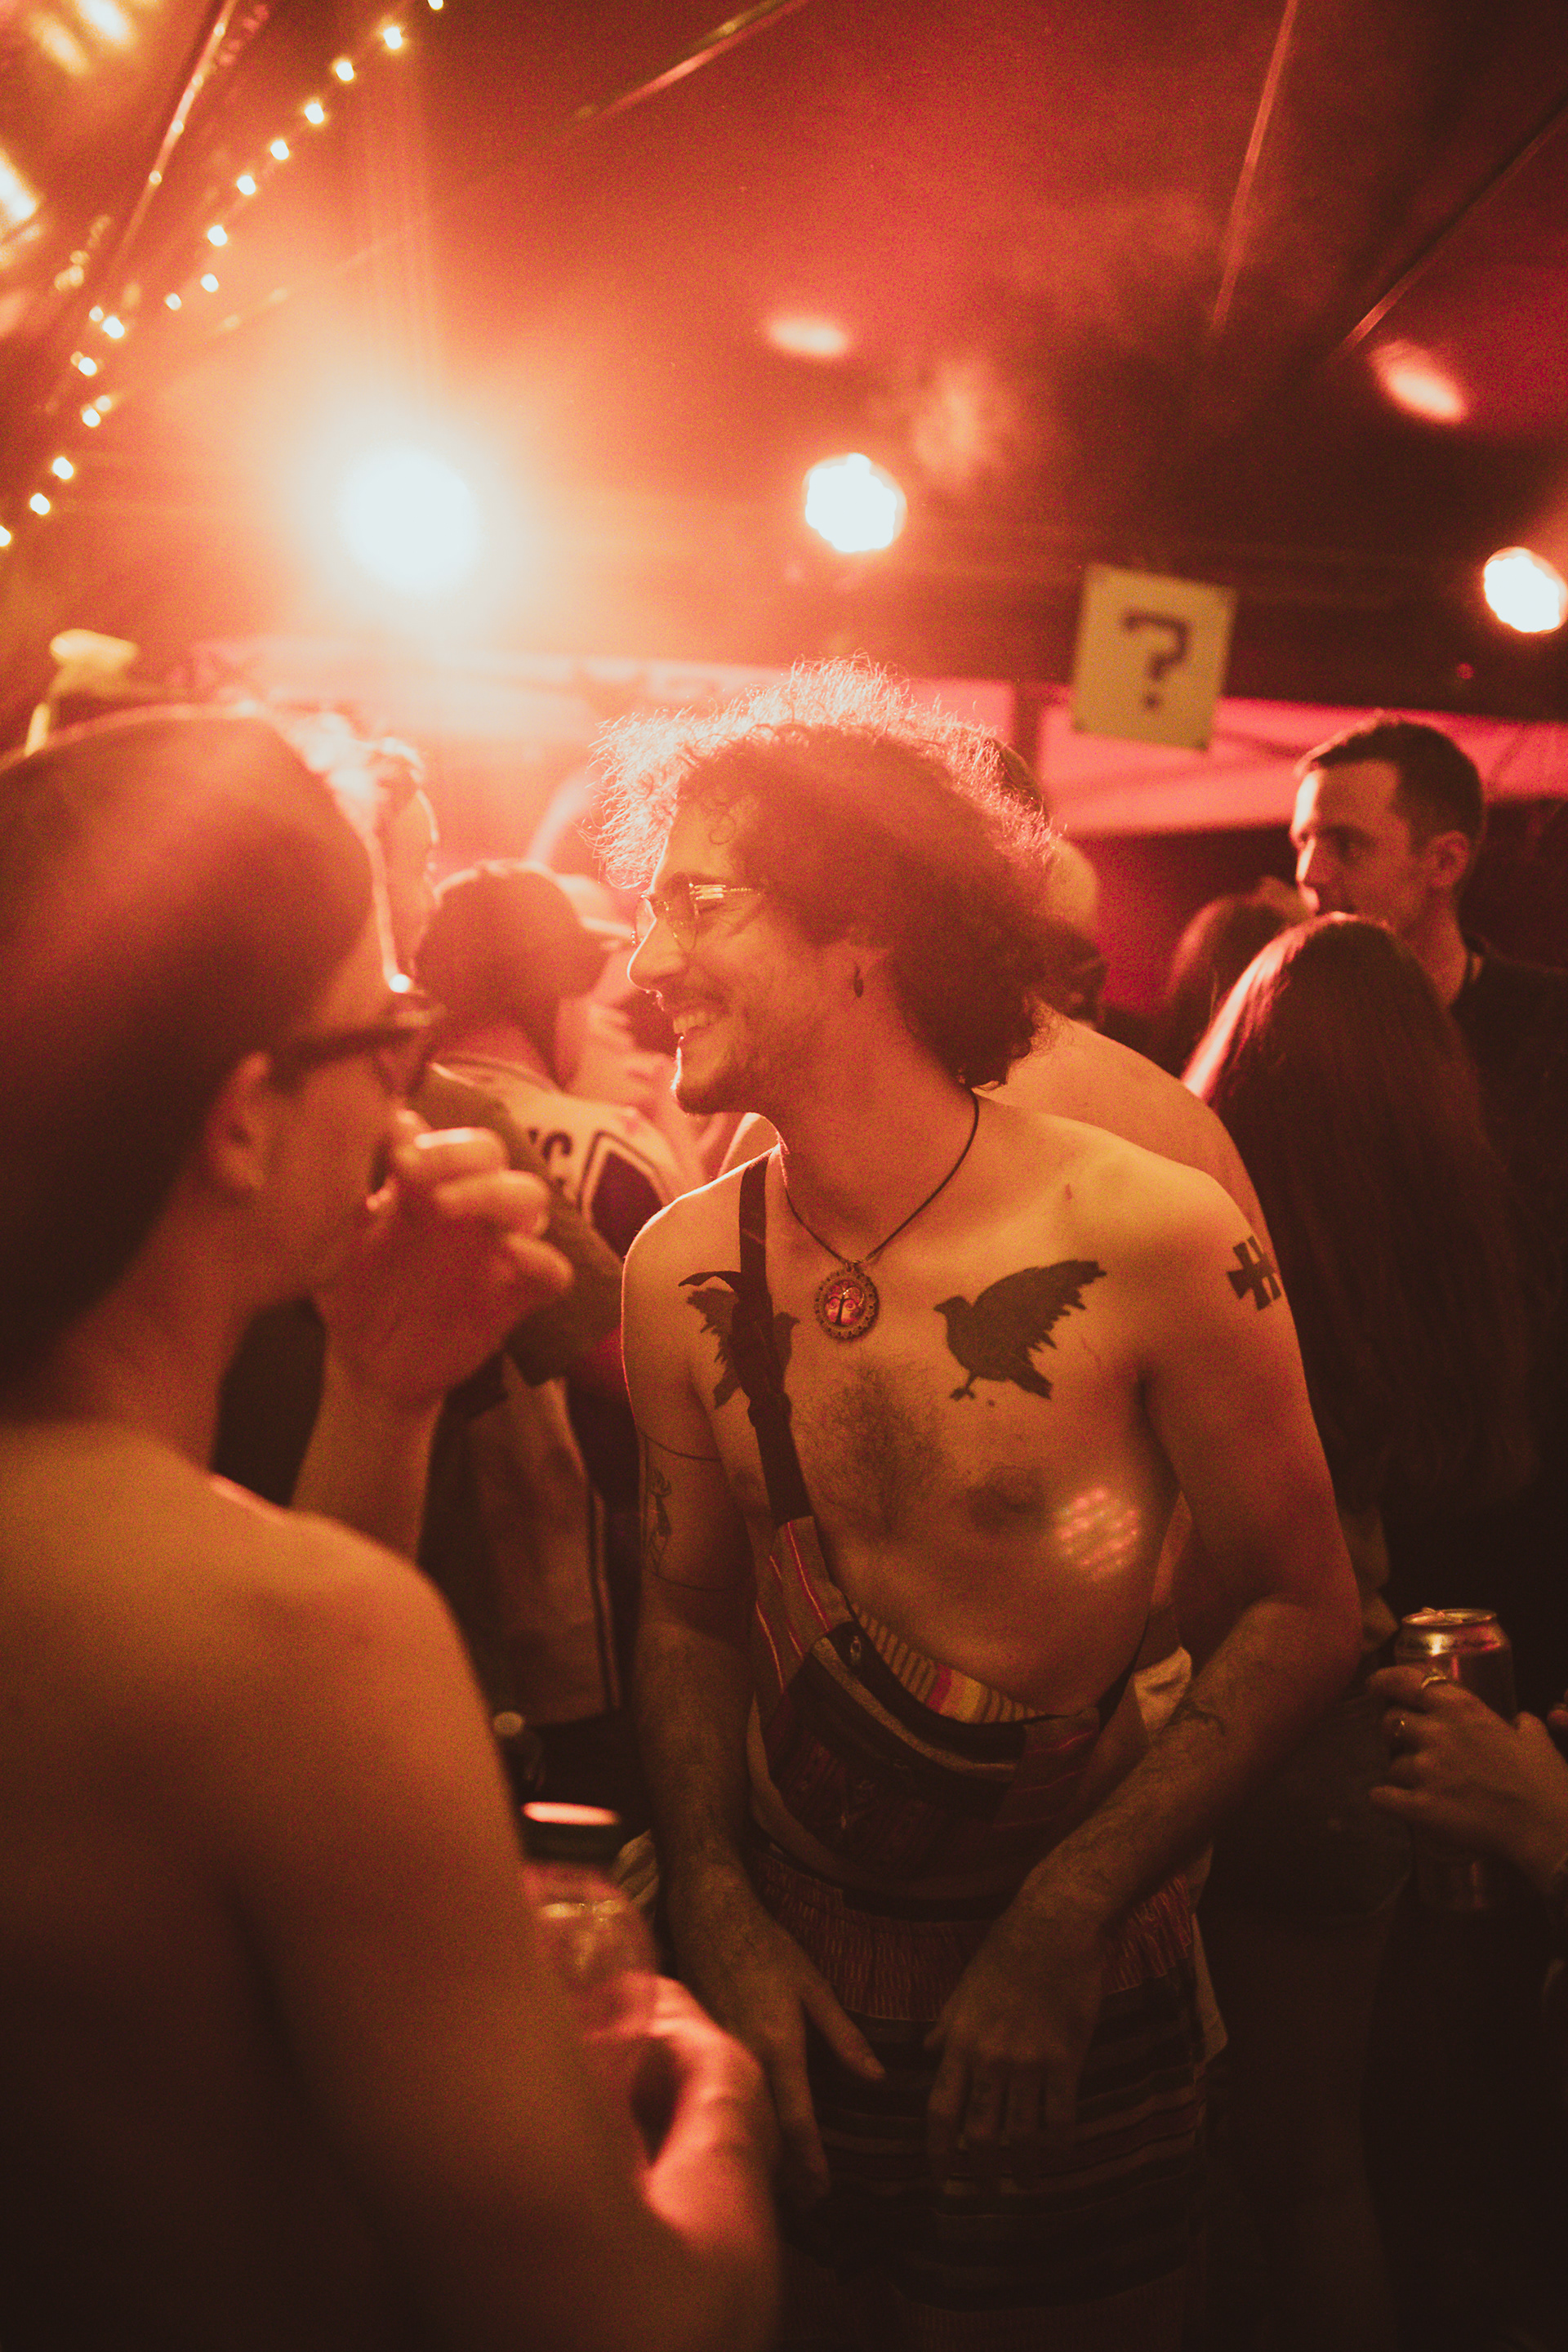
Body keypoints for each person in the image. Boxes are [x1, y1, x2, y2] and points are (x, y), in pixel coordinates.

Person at [598, 663, 1361, 2347]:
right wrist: (720, 1910)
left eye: (698, 904)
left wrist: (1070, 1914)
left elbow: (1307, 1608)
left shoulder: (1145, 1232)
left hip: (1074, 1992)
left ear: (861, 932)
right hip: (795, 1986)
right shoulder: (676, 1271)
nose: (648, 960)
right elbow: (694, 1613)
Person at [0, 709, 777, 2351]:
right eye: (385, 1028)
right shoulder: (302, 1644)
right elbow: (623, 2323)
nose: (408, 1086)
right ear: (239, 1118)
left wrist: (381, 1393)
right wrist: (718, 2104)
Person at [1184, 913, 1537, 2352]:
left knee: (1221, 2164)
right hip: (1375, 1726)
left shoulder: (1212, 1238)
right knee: (1329, 2159)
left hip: (1237, 1709)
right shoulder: (1463, 1229)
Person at [1291, 714, 1568, 1710]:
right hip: (1355, 1514)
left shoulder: (1550, 1030)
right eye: (1302, 840)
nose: (1311, 873)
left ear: (1444, 861)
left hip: (1528, 1518)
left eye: (1346, 843)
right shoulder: (1287, 1038)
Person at [413, 860, 693, 1820]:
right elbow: (684, 1370)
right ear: (551, 994)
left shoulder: (397, 1132)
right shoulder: (610, 1142)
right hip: (598, 1624)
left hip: (456, 1613)